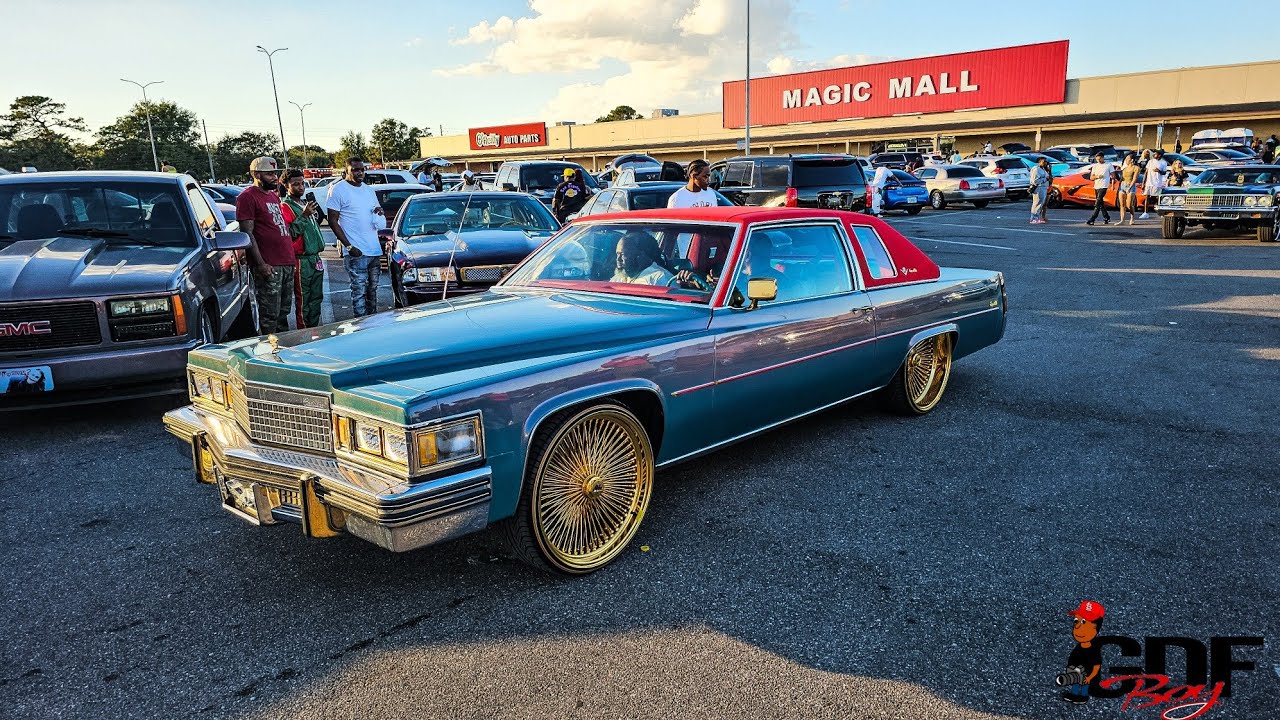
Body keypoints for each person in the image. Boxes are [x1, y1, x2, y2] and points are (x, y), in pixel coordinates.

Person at [234, 156, 295, 333]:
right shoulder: (247, 197)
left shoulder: (273, 196)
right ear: (256, 174)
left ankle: (283, 346)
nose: (274, 177)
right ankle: (269, 347)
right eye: (269, 174)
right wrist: (261, 264)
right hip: (269, 264)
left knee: (283, 312)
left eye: (275, 173)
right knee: (270, 315)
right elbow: (247, 233)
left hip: (286, 262)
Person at [326, 157, 385, 318]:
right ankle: (361, 326)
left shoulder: (368, 190)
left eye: (362, 170)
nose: (360, 173)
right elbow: (332, 220)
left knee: (372, 291)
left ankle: (373, 324)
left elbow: (375, 212)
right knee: (359, 293)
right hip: (356, 252)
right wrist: (349, 246)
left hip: (374, 250)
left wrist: (379, 212)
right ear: (346, 171)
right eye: (355, 170)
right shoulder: (338, 189)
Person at [280, 169, 325, 328]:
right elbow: (290, 233)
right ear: (286, 186)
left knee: (316, 298)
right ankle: (305, 333)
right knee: (304, 299)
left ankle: (315, 330)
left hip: (315, 258)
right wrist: (304, 215)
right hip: (301, 260)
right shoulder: (285, 206)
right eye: (295, 184)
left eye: (302, 183)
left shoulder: (303, 203)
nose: (300, 187)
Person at [1061, 600, 1105, 704]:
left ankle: (1083, 697)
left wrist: (1090, 677)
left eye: (1084, 622)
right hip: (1077, 673)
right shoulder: (1079, 647)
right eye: (1076, 621)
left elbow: (1096, 666)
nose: (1078, 627)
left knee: (1084, 685)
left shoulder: (1093, 650)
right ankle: (1075, 695)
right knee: (1076, 683)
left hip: (1086, 675)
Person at [1085, 152, 1113, 225]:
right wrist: (1097, 176)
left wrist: (1112, 183)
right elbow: (1091, 177)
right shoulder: (1095, 166)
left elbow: (1113, 175)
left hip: (1104, 186)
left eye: (1100, 159)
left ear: (1103, 158)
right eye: (1097, 159)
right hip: (1097, 185)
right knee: (1100, 203)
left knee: (1097, 202)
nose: (1099, 161)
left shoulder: (1108, 165)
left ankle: (1092, 219)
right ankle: (1106, 217)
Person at [1139, 149, 1167, 219]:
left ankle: (1161, 212)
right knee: (1147, 197)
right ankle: (1145, 213)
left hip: (1157, 183)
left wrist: (1159, 171)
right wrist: (1143, 183)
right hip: (1149, 182)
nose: (1154, 155)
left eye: (1156, 154)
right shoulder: (1150, 162)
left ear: (1159, 155)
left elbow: (1164, 172)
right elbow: (1146, 172)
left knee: (1157, 198)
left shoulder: (1163, 162)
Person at [1117, 153, 1140, 225]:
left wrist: (1130, 187)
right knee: (1122, 204)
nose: (1126, 160)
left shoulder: (1136, 168)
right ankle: (1122, 220)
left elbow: (1134, 178)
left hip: (1130, 185)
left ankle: (1132, 218)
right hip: (1123, 185)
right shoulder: (1124, 169)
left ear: (1131, 160)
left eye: (1127, 159)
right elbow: (1121, 178)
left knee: (1129, 205)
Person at [1028, 157, 1051, 224]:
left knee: (1040, 204)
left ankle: (1037, 217)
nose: (1045, 163)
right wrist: (1046, 179)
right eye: (1044, 162)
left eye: (1046, 162)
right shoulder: (1036, 169)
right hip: (1039, 188)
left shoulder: (1043, 169)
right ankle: (1033, 218)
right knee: (1037, 203)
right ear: (1039, 162)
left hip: (1043, 188)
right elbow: (1035, 181)